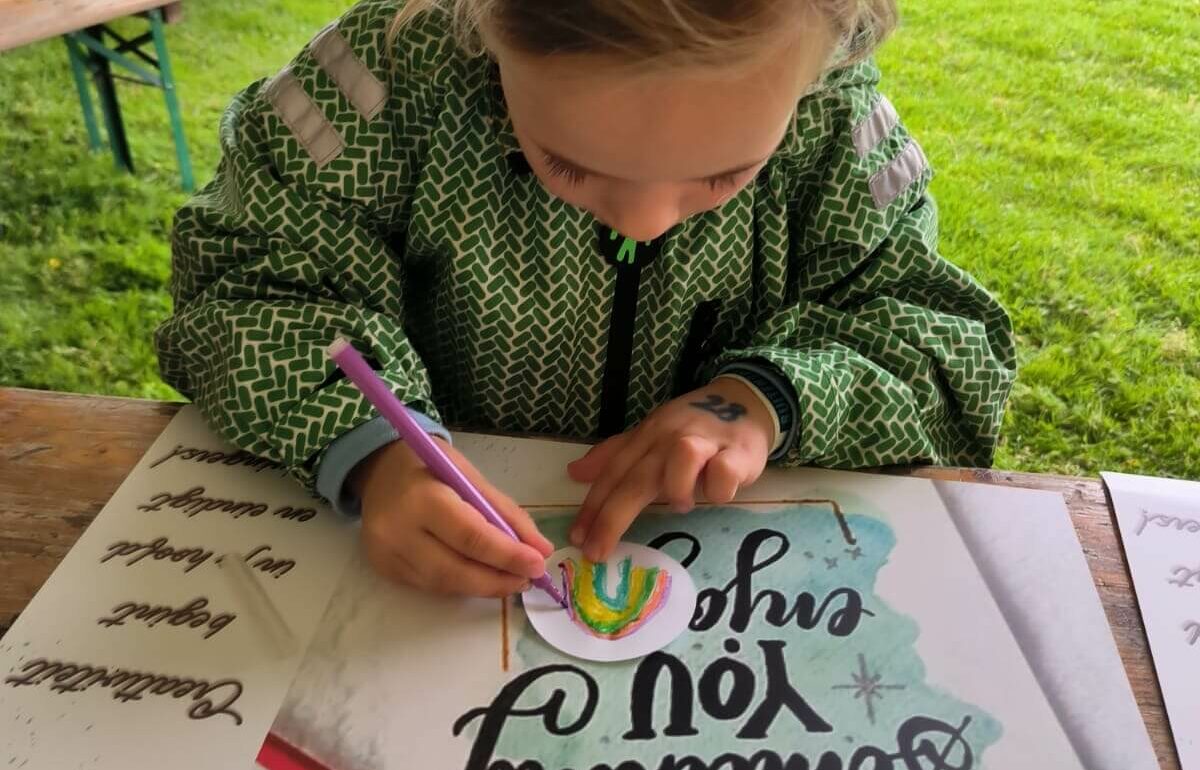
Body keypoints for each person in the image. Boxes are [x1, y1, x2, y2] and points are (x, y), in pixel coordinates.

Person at [155, 0, 1015, 599]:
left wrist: (764, 400)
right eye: (564, 164)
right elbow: (248, 285)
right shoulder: (382, 85)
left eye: (727, 174)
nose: (645, 222)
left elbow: (939, 343)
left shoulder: (833, 120)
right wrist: (372, 451)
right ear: (485, 21)